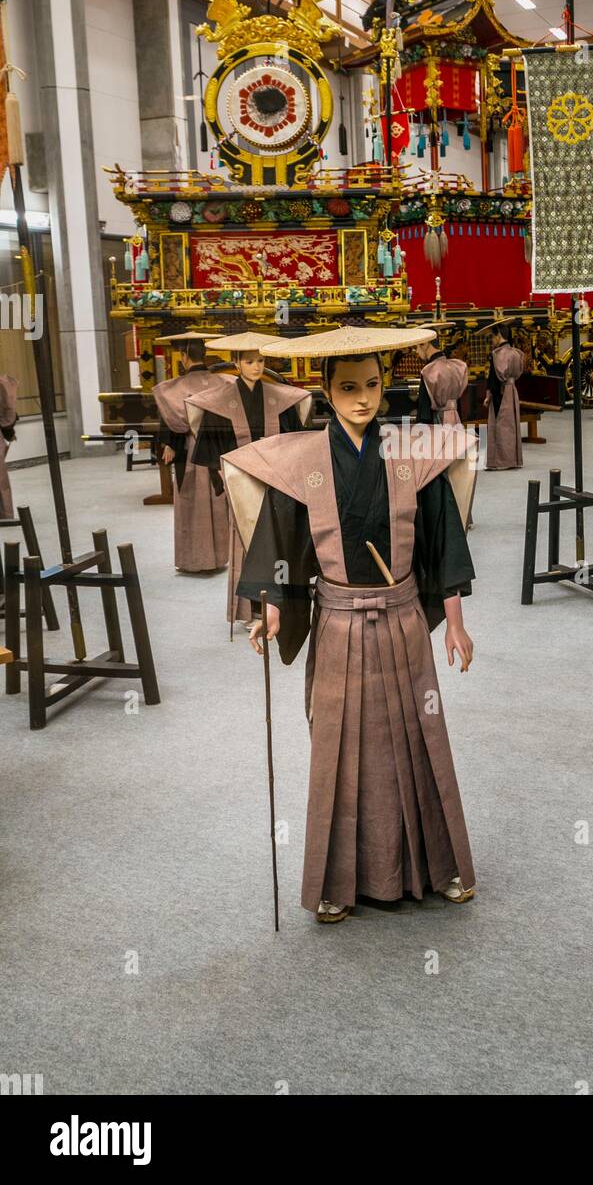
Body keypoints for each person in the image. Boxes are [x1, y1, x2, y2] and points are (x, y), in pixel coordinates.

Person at [221, 325, 478, 925]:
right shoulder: (305, 462)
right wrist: (274, 606)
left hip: (404, 617)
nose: (363, 399)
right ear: (327, 393)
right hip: (337, 621)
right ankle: (337, 881)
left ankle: (438, 867)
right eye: (348, 388)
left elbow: (444, 544)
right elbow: (283, 544)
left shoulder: (413, 455)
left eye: (371, 384)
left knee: (421, 740)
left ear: (385, 384)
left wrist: (457, 624)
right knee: (337, 748)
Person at [187, 333, 312, 625]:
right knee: (247, 541)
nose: (256, 367)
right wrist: (225, 478)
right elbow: (211, 447)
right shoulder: (221, 402)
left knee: (280, 540)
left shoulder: (279, 397)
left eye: (260, 360)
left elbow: (295, 439)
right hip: (241, 481)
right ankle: (249, 609)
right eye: (250, 361)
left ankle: (281, 605)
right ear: (236, 363)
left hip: (277, 480)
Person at [152, 333, 229, 574]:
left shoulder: (172, 388)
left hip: (189, 450)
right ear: (204, 355)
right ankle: (218, 558)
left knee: (190, 503)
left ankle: (194, 560)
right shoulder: (225, 383)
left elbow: (171, 419)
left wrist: (168, 443)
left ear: (184, 357)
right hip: (217, 451)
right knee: (217, 503)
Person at [484, 323, 524, 470]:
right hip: (512, 390)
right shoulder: (516, 353)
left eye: (492, 336)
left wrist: (489, 395)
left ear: (498, 335)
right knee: (511, 425)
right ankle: (512, 459)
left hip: (500, 391)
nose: (492, 340)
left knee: (500, 426)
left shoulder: (497, 354)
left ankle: (501, 460)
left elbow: (493, 378)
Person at [415, 327, 468, 427]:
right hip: (456, 419)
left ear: (424, 344)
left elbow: (424, 411)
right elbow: (458, 402)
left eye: (417, 347)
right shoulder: (456, 367)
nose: (416, 352)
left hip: (438, 421)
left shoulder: (429, 371)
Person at [0, 373, 18, 519]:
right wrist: (9, 430)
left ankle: (5, 513)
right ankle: (5, 513)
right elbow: (8, 410)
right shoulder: (3, 383)